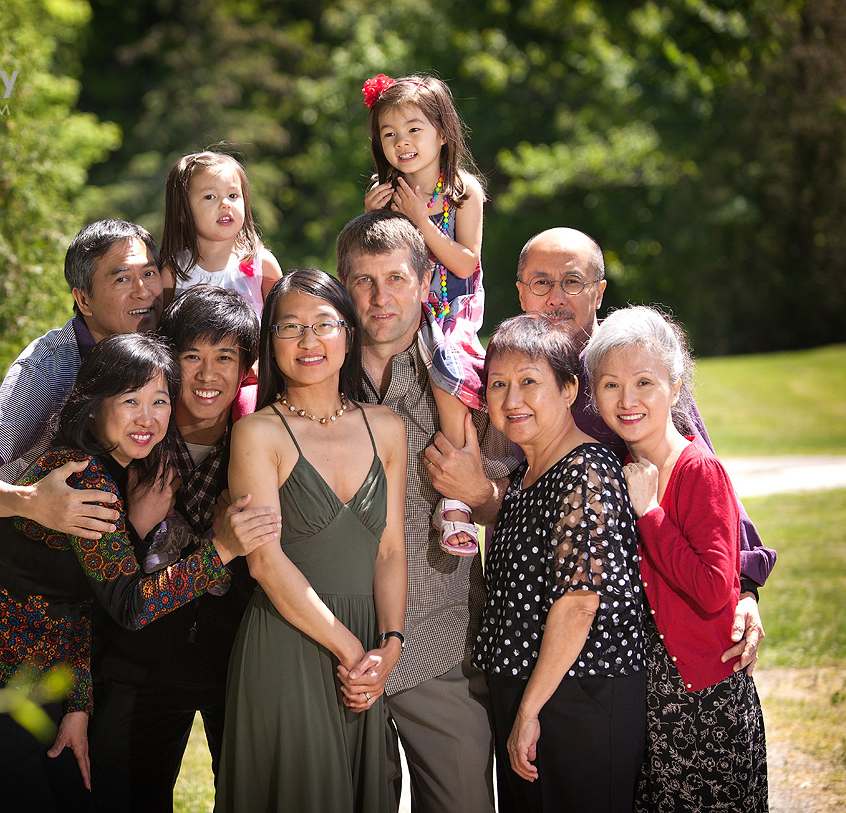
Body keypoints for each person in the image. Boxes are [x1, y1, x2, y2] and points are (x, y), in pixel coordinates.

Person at [0, 333, 279, 812]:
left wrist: (78, 707)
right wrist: (222, 549)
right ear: (94, 403)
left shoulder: (113, 476)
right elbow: (130, 604)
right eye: (130, 400)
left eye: (160, 400)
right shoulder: (83, 480)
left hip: (31, 694)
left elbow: (82, 604)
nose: (147, 417)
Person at [425, 227, 774, 672]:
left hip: (636, 600)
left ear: (599, 292)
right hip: (530, 594)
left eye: (572, 282)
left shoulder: (632, 359)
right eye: (541, 283)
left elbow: (704, 477)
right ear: (520, 293)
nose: (555, 297)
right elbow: (504, 485)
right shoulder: (507, 360)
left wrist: (744, 589)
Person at [215, 269, 408, 812]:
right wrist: (351, 652)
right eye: (289, 327)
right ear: (269, 342)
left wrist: (388, 646)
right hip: (289, 642)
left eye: (324, 323)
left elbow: (390, 550)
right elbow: (265, 564)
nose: (308, 341)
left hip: (368, 651)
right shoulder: (258, 433)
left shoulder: (386, 426)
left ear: (348, 333)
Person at [337, 209, 502, 812]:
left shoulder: (466, 378)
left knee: (460, 801)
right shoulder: (317, 375)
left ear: (427, 281)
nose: (381, 298)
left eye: (397, 279)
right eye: (363, 281)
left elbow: (523, 502)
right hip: (346, 642)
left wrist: (480, 492)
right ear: (343, 284)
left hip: (443, 634)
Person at [89, 285, 266, 812]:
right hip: (138, 662)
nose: (208, 376)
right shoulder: (135, 440)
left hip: (234, 662)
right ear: (168, 361)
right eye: (192, 357)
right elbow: (105, 581)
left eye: (225, 358)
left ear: (245, 370)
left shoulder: (259, 442)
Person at [585, 306, 768, 812]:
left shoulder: (699, 471)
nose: (627, 401)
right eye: (610, 385)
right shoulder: (621, 471)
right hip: (649, 695)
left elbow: (714, 588)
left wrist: (650, 514)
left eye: (645, 382)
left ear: (676, 382)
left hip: (705, 698)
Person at [474, 313, 646, 812]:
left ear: (570, 389)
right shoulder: (528, 476)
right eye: (498, 384)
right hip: (532, 695)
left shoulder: (586, 472)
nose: (511, 400)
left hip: (576, 698)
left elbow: (579, 604)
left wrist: (529, 710)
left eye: (530, 382)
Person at [0, 219, 166, 540]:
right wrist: (31, 501)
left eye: (149, 273)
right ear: (83, 299)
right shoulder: (49, 367)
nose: (143, 291)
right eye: (122, 279)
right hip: (19, 566)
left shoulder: (165, 344)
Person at [361, 72, 501, 557]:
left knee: (447, 368)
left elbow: (466, 261)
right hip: (402, 305)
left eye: (414, 129)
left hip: (450, 306)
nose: (402, 143)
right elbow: (375, 258)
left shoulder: (463, 191)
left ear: (443, 132)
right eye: (390, 134)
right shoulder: (387, 194)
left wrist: (420, 221)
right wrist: (373, 218)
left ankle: (455, 494)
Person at [160, 151, 283, 315]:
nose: (226, 204)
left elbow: (280, 322)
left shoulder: (262, 264)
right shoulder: (174, 272)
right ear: (182, 211)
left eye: (233, 195)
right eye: (210, 196)